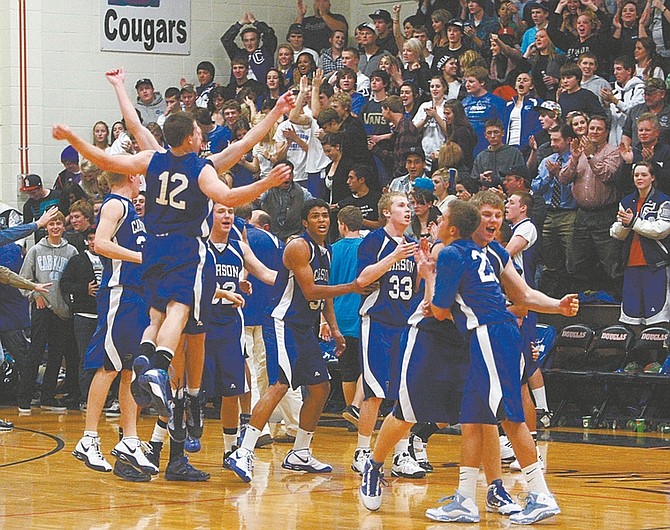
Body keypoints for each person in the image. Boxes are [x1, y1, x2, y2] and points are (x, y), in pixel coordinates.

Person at [225, 199, 365, 482]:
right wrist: (353, 287)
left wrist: (333, 328)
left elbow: (322, 296)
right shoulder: (298, 247)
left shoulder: (325, 252)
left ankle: (300, 452)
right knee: (280, 384)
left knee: (321, 387)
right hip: (283, 322)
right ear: (305, 222)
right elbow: (312, 291)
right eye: (315, 216)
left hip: (306, 326)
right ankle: (244, 450)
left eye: (326, 215)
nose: (322, 220)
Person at [70, 169, 161, 481]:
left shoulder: (133, 211)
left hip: (136, 296)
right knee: (108, 366)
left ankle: (131, 439)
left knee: (130, 370)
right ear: (132, 177)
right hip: (119, 294)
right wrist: (140, 257)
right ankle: (89, 437)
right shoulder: (115, 205)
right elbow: (102, 245)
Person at [352, 192, 424, 479]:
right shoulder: (374, 240)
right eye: (402, 206)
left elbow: (417, 285)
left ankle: (401, 453)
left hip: (404, 324)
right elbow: (361, 280)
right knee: (375, 392)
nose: (408, 210)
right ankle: (362, 451)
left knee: (402, 393)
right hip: (377, 321)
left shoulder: (414, 245)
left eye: (409, 206)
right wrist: (393, 256)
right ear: (386, 212)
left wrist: (424, 265)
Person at [205, 203, 278, 464]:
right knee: (187, 388)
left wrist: (295, 277)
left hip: (230, 323)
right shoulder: (200, 247)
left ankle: (229, 448)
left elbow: (267, 274)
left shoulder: (240, 247)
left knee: (232, 389)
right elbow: (194, 283)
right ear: (209, 215)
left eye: (230, 212)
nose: (227, 216)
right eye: (221, 211)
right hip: (202, 322)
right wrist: (225, 290)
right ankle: (164, 441)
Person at [18, 211, 78, 413]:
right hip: (41, 307)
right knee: (35, 353)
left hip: (62, 311)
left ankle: (47, 398)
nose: (55, 227)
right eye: (51, 224)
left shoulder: (71, 251)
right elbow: (23, 280)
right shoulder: (35, 250)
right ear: (46, 227)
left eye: (59, 224)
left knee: (55, 355)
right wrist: (35, 296)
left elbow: (76, 279)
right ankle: (24, 399)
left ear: (63, 227)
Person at [558, 115, 623, 297]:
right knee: (576, 262)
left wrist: (591, 156)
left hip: (605, 214)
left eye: (598, 129)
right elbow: (564, 178)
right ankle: (587, 300)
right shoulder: (579, 151)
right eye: (591, 128)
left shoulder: (613, 152)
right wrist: (575, 158)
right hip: (582, 215)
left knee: (611, 263)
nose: (594, 132)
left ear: (606, 132)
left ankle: (618, 305)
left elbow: (607, 175)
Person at [611, 161, 670, 328]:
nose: (639, 178)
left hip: (655, 265)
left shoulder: (664, 201)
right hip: (630, 264)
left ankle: (659, 352)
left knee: (657, 316)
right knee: (631, 316)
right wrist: (625, 224)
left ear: (652, 177)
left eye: (644, 175)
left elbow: (661, 230)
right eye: (636, 175)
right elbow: (616, 232)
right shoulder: (627, 201)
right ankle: (634, 353)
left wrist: (633, 221)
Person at [532, 124, 577, 298]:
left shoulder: (574, 159)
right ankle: (556, 292)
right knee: (549, 255)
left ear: (568, 140)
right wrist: (549, 176)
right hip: (549, 213)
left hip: (569, 212)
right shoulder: (547, 161)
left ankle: (572, 290)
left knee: (571, 255)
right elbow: (535, 187)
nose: (552, 143)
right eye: (551, 139)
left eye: (556, 140)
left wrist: (560, 174)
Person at [60, 226, 102, 410]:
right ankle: (85, 398)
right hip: (84, 315)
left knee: (106, 359)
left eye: (97, 238)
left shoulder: (111, 259)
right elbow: (64, 284)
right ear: (87, 241)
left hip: (105, 315)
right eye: (91, 239)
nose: (94, 242)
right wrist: (83, 289)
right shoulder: (77, 260)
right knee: (85, 357)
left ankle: (106, 398)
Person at [329, 206, 364, 409]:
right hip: (361, 314)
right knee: (366, 369)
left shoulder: (333, 250)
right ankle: (359, 410)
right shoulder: (368, 247)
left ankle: (351, 411)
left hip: (339, 316)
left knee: (347, 370)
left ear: (342, 225)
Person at [462, 66, 507, 156]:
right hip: (467, 148)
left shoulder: (497, 102)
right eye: (466, 81)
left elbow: (503, 126)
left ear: (482, 82)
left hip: (489, 147)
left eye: (471, 81)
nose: (467, 85)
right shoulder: (464, 102)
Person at [221, 12, 277, 83]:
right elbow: (226, 40)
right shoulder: (238, 54)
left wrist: (255, 22)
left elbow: (269, 33)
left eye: (252, 40)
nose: (249, 43)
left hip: (261, 91)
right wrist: (240, 23)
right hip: (240, 91)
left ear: (258, 40)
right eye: (246, 40)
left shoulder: (266, 51)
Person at [602, 55, 645, 145]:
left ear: (629, 71)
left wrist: (614, 100)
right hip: (613, 139)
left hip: (632, 138)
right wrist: (606, 105)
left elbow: (634, 112)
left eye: (619, 69)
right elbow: (609, 120)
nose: (615, 73)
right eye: (614, 69)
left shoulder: (640, 88)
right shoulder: (614, 92)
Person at [413, 76, 449, 167]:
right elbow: (413, 130)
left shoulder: (448, 106)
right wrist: (425, 120)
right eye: (432, 86)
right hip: (424, 153)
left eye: (438, 86)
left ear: (444, 88)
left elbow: (450, 132)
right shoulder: (424, 106)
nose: (434, 89)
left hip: (442, 153)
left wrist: (436, 116)